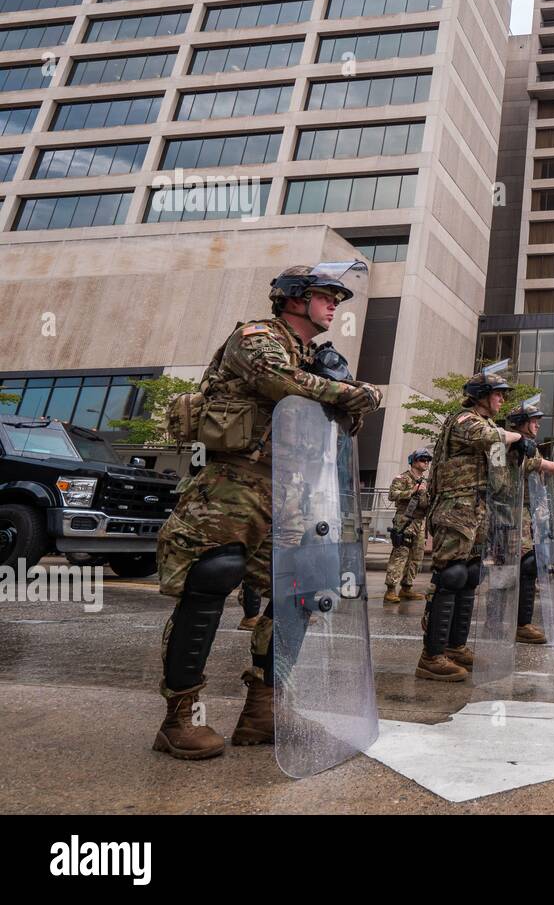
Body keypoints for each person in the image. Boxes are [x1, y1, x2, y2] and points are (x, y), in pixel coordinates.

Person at [152, 263, 381, 760]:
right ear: (294, 297)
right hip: (234, 482)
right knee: (213, 577)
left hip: (292, 490)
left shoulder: (315, 358)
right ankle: (180, 716)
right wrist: (355, 392)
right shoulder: (257, 337)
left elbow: (340, 420)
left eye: (337, 296)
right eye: (325, 294)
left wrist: (351, 398)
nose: (334, 303)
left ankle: (264, 706)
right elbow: (279, 382)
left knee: (298, 591)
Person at [416, 365, 525, 683]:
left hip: (479, 511)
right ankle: (431, 656)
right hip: (455, 510)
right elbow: (491, 437)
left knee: (470, 575)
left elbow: (500, 474)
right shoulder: (465, 420)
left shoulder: (493, 430)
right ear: (481, 396)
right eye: (498, 394)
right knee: (450, 576)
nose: (502, 399)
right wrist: (516, 438)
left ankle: (456, 647)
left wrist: (515, 458)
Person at [503, 399, 554, 643]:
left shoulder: (530, 445)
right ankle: (505, 622)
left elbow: (536, 473)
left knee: (527, 566)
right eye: (533, 419)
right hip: (508, 512)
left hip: (527, 511)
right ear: (521, 423)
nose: (537, 424)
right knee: (489, 569)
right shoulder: (510, 442)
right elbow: (524, 465)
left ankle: (520, 623)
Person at [384, 448, 433, 605]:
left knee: (416, 556)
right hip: (405, 519)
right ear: (413, 461)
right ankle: (391, 589)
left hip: (420, 521)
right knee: (401, 554)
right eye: (422, 459)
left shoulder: (425, 481)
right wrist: (412, 491)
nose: (426, 463)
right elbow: (392, 494)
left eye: (427, 460)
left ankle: (406, 587)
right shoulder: (403, 478)